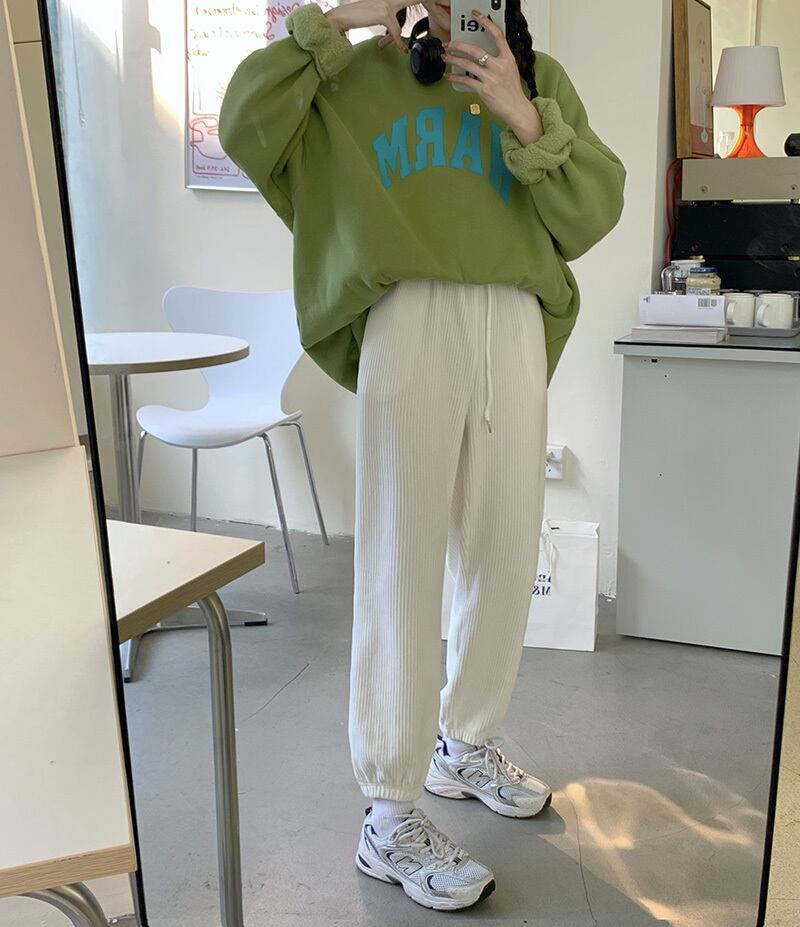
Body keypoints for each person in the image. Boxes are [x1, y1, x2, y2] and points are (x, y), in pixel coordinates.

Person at [220, 0, 625, 911]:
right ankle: (388, 812)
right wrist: (345, 16)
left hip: (512, 317)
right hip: (408, 315)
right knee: (399, 564)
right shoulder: (354, 79)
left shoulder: (534, 77)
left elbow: (595, 208)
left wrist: (524, 115)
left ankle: (463, 742)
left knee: (507, 546)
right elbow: (245, 119)